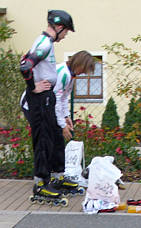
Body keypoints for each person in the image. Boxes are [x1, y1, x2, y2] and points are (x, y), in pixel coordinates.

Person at [19, 10, 74, 204]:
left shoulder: (45, 43)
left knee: (51, 137)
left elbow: (24, 60)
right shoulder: (44, 43)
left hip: (46, 97)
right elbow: (25, 65)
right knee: (43, 140)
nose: (66, 35)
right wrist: (33, 87)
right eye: (66, 31)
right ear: (59, 27)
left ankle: (48, 180)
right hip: (40, 98)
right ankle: (40, 185)